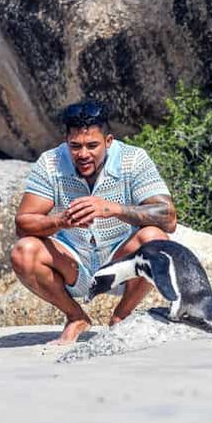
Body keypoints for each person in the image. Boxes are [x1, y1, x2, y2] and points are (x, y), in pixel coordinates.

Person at [11, 100, 177, 344]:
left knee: (156, 240)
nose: (83, 154)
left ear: (108, 141)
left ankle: (121, 315)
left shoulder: (133, 159)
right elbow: (22, 225)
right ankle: (76, 317)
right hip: (72, 263)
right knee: (23, 252)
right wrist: (61, 221)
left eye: (92, 145)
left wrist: (111, 209)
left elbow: (168, 218)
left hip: (121, 263)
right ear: (66, 141)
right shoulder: (50, 162)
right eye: (75, 146)